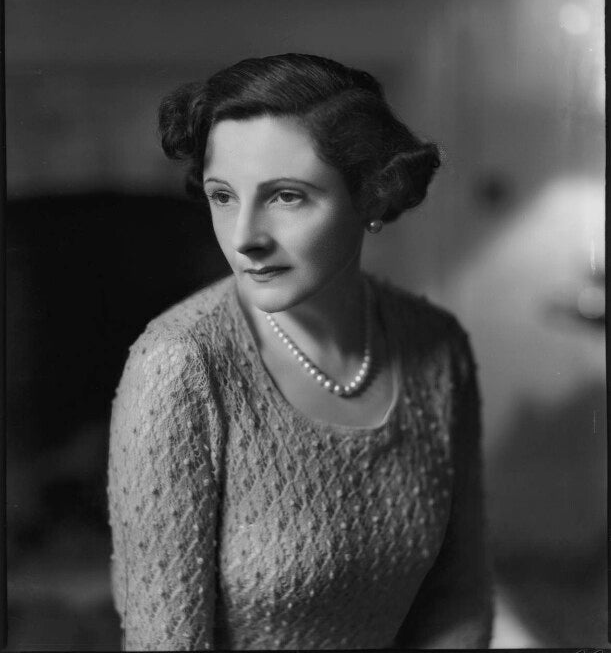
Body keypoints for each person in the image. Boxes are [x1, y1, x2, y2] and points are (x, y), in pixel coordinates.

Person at [107, 53, 494, 650]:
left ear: (372, 195)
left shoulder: (438, 348)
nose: (244, 239)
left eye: (286, 196)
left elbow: (460, 598)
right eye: (222, 196)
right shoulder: (179, 367)